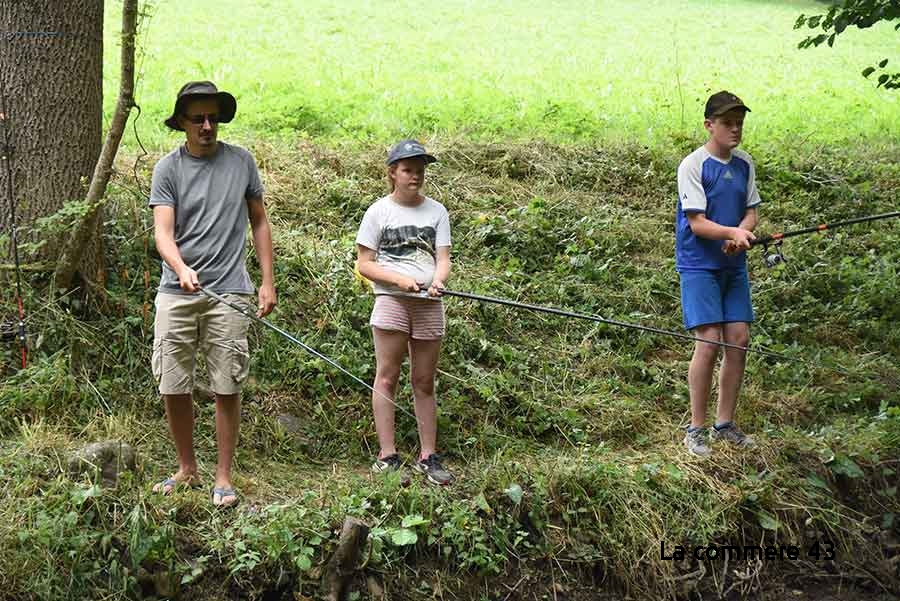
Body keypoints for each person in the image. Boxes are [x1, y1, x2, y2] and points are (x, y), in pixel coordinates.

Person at [149, 81, 276, 506]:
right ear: (181, 122)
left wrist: (266, 280)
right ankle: (187, 468)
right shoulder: (168, 169)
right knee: (173, 382)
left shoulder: (242, 162)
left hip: (230, 291)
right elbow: (162, 234)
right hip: (177, 291)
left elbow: (259, 221)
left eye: (213, 117)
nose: (207, 125)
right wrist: (181, 268)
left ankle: (223, 476)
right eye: (198, 118)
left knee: (227, 384)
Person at [355, 139, 454, 485]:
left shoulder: (437, 211)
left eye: (420, 170)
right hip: (392, 302)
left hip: (429, 304)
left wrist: (438, 281)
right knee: (387, 377)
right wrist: (399, 280)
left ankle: (429, 457)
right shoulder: (378, 212)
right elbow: (365, 264)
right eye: (409, 170)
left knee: (424, 381)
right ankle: (388, 456)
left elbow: (443, 259)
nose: (415, 176)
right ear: (393, 173)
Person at [676, 91, 760, 456]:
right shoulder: (693, 165)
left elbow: (751, 212)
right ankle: (696, 429)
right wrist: (731, 233)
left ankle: (724, 424)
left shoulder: (744, 164)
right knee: (709, 341)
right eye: (727, 123)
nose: (735, 129)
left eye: (739, 122)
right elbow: (696, 223)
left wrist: (741, 232)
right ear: (709, 125)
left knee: (738, 340)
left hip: (733, 266)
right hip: (699, 266)